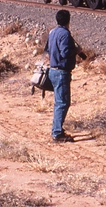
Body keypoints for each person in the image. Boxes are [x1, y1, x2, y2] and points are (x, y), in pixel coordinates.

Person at [45, 9, 79, 142]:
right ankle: (57, 133)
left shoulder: (52, 32)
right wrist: (76, 50)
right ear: (68, 21)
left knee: (59, 102)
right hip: (61, 72)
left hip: (52, 70)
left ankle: (57, 129)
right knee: (62, 103)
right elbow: (65, 52)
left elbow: (47, 50)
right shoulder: (65, 34)